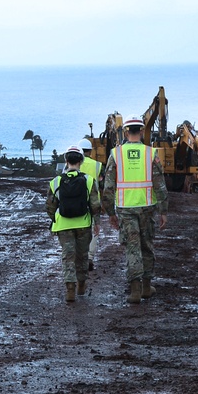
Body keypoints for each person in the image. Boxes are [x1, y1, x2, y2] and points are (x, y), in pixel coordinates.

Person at [102, 116, 169, 305]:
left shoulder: (115, 154)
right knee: (146, 245)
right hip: (147, 208)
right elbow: (160, 185)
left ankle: (135, 290)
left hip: (125, 209)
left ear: (125, 132)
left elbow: (108, 188)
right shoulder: (151, 153)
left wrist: (110, 214)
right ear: (141, 131)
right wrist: (164, 211)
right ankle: (147, 287)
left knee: (132, 247)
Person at [46, 145, 101, 301]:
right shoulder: (89, 180)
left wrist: (54, 219)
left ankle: (70, 289)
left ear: (66, 161)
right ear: (81, 161)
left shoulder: (56, 181)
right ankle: (81, 285)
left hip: (63, 226)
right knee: (82, 256)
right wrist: (96, 223)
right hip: (83, 225)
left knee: (68, 256)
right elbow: (95, 205)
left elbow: (50, 206)